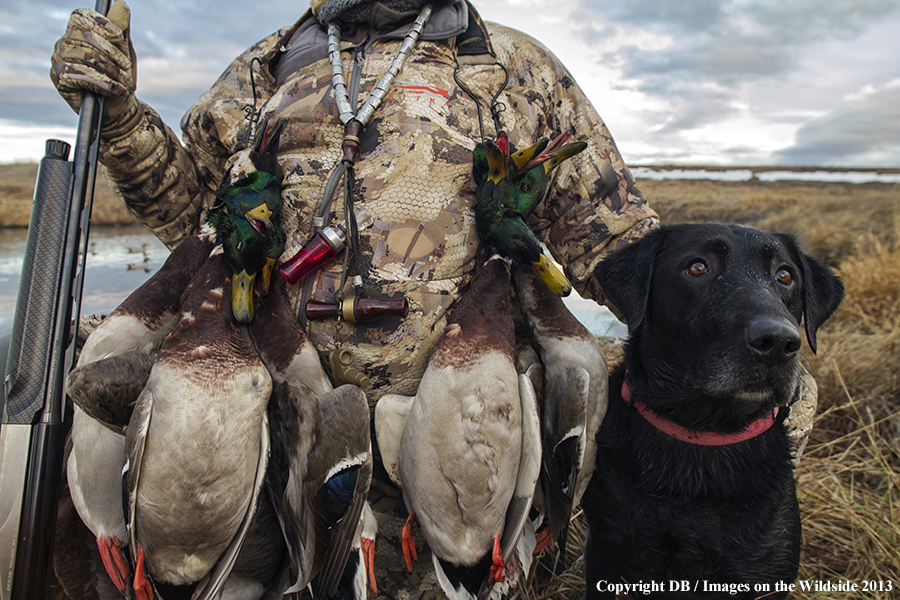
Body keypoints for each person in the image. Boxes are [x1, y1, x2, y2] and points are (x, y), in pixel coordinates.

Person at [49, 0, 815, 597]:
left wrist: (740, 343)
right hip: (275, 443)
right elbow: (196, 222)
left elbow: (612, 249)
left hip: (462, 454)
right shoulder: (264, 69)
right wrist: (118, 118)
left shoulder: (514, 69)